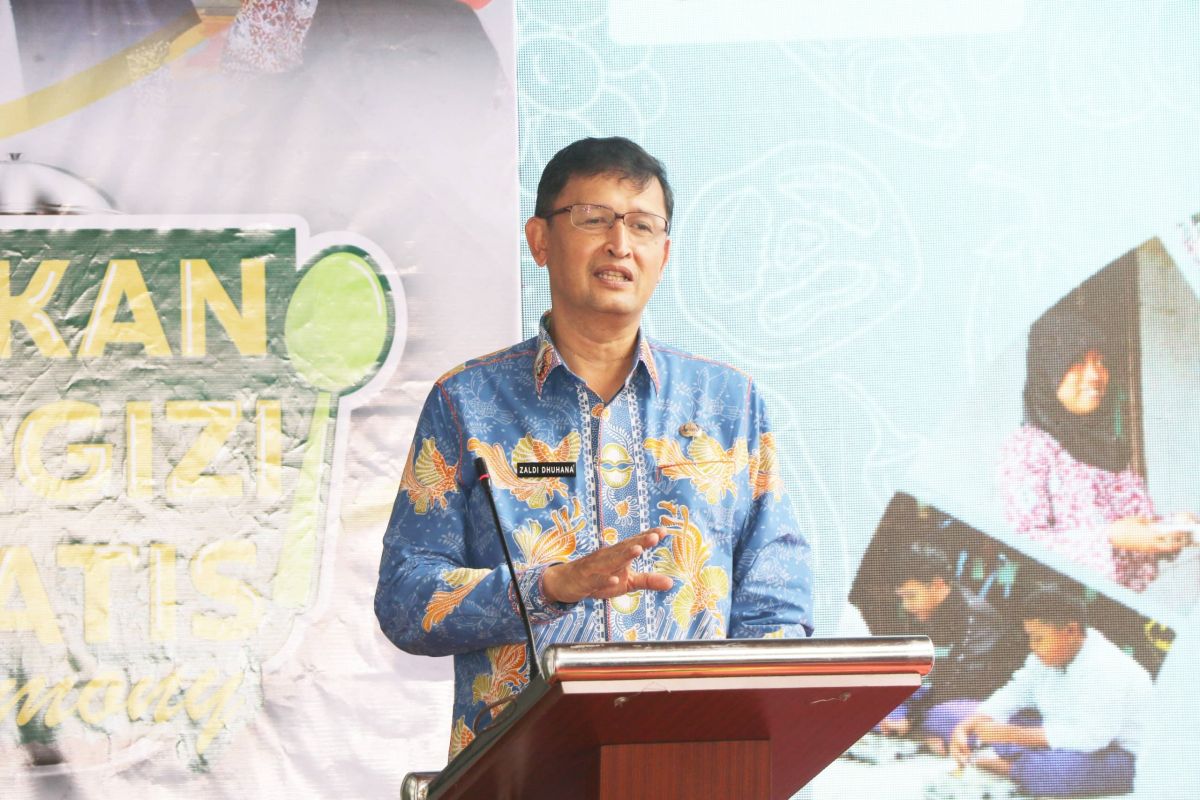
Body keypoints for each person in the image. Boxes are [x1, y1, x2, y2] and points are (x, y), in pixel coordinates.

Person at [374, 136, 813, 758]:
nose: (620, 244)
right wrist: (550, 586)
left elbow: (776, 606)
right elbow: (405, 597)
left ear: (664, 253)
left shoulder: (728, 403)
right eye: (594, 219)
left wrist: (736, 738)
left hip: (693, 765)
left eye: (642, 225)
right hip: (523, 769)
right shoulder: (467, 403)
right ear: (540, 241)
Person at [998, 305, 1187, 591]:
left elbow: (1129, 529)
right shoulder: (1029, 447)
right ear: (1048, 370)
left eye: (1100, 361)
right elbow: (1024, 544)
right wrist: (1110, 538)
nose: (1095, 375)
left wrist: (1170, 528)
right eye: (1077, 361)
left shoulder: (1107, 446)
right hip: (1065, 607)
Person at [949, 584, 1151, 798]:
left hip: (1116, 754)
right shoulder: (1045, 656)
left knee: (1056, 771)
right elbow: (1015, 692)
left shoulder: (1107, 666)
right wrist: (968, 725)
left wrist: (1011, 734)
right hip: (1056, 733)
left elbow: (1092, 737)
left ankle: (1012, 766)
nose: (1032, 646)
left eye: (1038, 638)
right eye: (1030, 637)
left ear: (1070, 631)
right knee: (949, 717)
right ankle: (1023, 761)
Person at [878, 543, 1024, 751]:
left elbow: (960, 681)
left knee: (943, 716)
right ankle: (917, 732)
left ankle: (916, 730)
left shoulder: (975, 614)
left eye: (911, 596)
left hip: (971, 699)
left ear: (938, 585)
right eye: (902, 598)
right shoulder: (920, 611)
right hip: (932, 694)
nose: (906, 606)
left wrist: (911, 718)